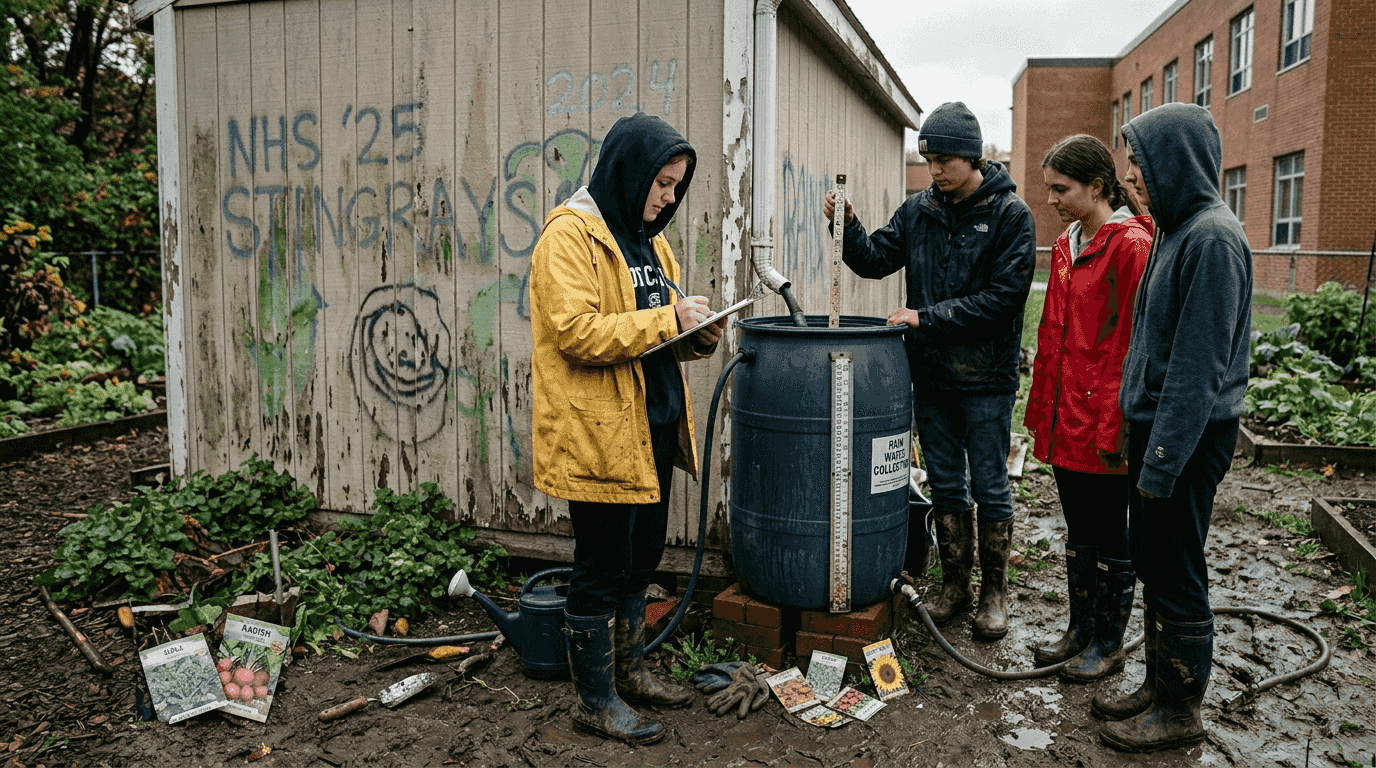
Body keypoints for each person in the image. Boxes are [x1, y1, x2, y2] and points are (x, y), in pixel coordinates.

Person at [529, 112, 727, 746]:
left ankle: (630, 673)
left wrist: (696, 336)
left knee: (641, 560)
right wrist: (669, 320)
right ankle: (595, 697)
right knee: (602, 566)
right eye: (662, 183)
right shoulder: (570, 238)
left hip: (652, 428)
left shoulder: (652, 241)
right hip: (599, 435)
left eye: (676, 186)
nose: (669, 197)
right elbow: (575, 332)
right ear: (630, 171)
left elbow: (654, 332)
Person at [824, 101, 1036, 640]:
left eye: (944, 159)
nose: (934, 169)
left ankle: (994, 595)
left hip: (986, 378)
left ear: (973, 157)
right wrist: (848, 226)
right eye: (928, 158)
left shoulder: (1011, 216)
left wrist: (927, 316)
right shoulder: (919, 210)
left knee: (990, 485)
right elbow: (873, 259)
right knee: (945, 484)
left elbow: (1004, 301)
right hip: (933, 376)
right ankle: (954, 587)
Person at [1096, 103, 1252, 753]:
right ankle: (1159, 688)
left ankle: (1180, 707)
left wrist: (1160, 459)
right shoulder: (1174, 229)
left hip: (1188, 433)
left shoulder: (1212, 238)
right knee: (1155, 563)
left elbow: (1197, 369)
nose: (1130, 176)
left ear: (1175, 161)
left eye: (1139, 163)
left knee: (1177, 569)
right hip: (1160, 427)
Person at [1022, 135, 1152, 681]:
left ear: (1098, 186)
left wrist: (1116, 422)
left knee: (1110, 532)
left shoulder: (1130, 246)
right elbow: (1053, 336)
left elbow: (1133, 343)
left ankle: (1108, 641)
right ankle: (1079, 629)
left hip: (1104, 419)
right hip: (1064, 413)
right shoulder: (1065, 245)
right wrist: (1042, 413)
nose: (1050, 199)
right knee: (1079, 529)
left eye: (1061, 188)